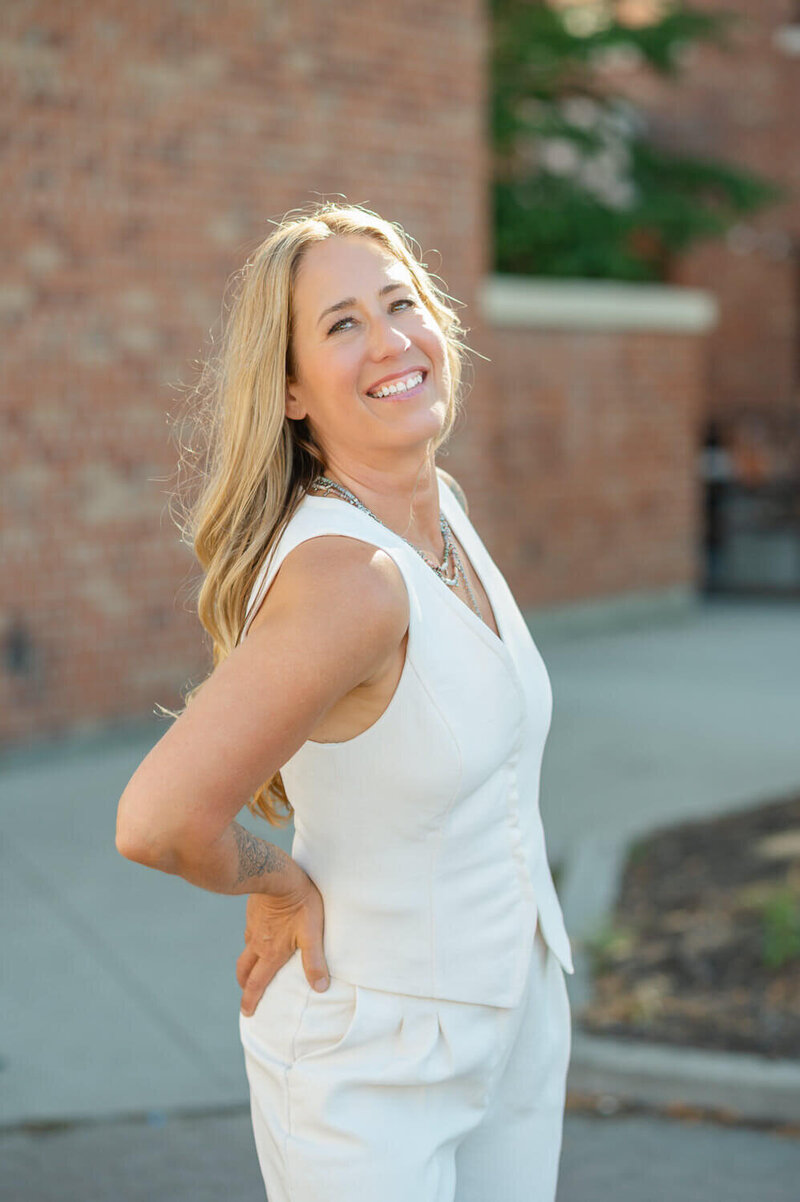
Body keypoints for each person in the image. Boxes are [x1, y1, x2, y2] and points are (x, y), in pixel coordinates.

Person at [116, 200, 574, 1202]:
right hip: (373, 1055)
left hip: (515, 1013)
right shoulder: (348, 577)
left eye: (399, 303)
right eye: (340, 325)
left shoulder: (436, 507)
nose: (390, 341)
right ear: (288, 389)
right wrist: (278, 883)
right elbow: (157, 820)